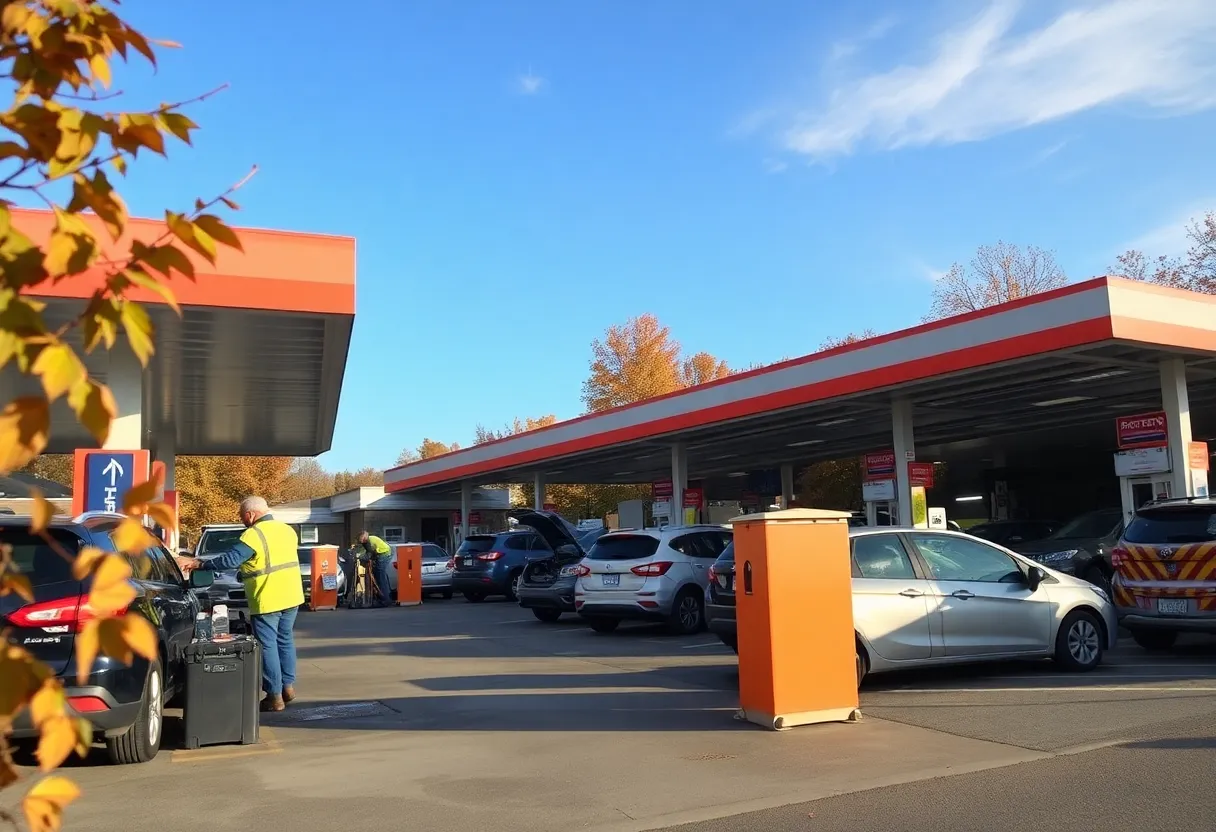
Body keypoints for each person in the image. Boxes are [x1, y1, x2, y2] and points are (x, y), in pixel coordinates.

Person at [181, 496, 304, 712]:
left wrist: (200, 563)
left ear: (250, 515)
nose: (242, 521)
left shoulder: (254, 534)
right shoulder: (287, 530)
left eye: (242, 517)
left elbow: (230, 560)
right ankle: (288, 687)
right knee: (285, 640)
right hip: (292, 595)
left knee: (268, 645)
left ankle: (274, 696)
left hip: (268, 596)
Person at [357, 530, 394, 606]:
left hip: (384, 554)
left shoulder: (369, 541)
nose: (361, 541)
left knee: (380, 577)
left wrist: (360, 557)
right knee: (379, 576)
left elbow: (369, 554)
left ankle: (385, 599)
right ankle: (385, 596)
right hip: (384, 554)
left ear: (364, 536)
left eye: (361, 539)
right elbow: (368, 553)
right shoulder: (368, 540)